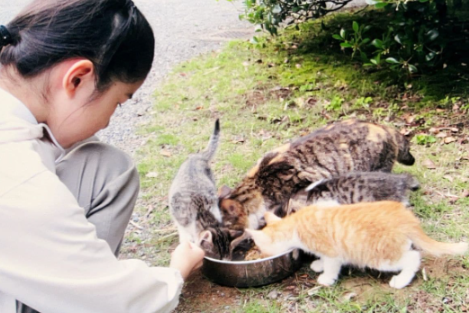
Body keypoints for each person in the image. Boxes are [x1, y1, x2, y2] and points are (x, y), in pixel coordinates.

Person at [0, 1, 205, 312]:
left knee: (107, 166)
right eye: (119, 102)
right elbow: (116, 305)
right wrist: (176, 271)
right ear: (78, 78)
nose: (108, 121)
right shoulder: (19, 181)